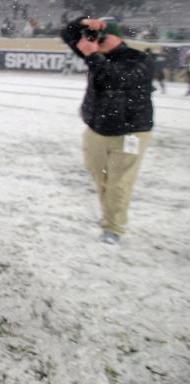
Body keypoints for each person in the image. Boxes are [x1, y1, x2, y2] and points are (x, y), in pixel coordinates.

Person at [61, 17, 153, 245]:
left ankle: (114, 227)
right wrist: (83, 22)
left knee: (119, 183)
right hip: (97, 129)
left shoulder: (138, 59)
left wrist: (93, 55)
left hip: (129, 132)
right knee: (98, 176)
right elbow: (67, 34)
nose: (97, 41)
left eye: (103, 37)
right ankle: (109, 215)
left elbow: (116, 78)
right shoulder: (97, 56)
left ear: (117, 37)